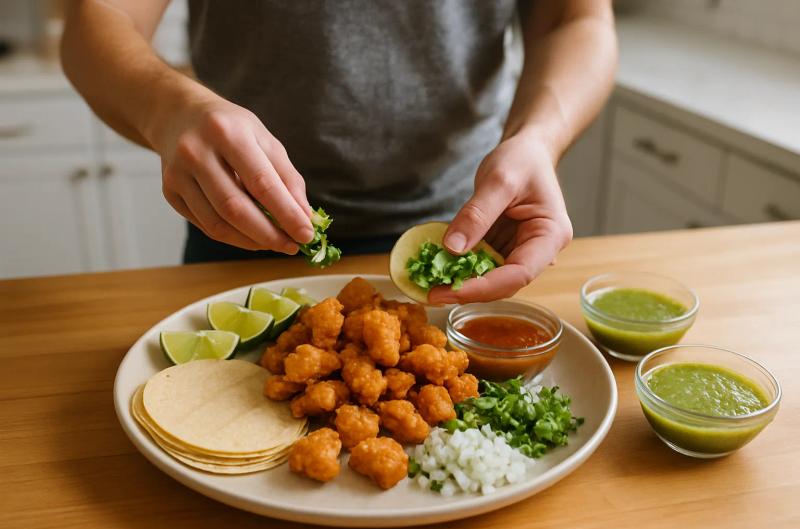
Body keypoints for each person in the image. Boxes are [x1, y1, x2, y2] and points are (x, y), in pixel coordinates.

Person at [61, 0, 617, 304]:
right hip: (238, 223)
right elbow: (99, 18)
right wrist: (168, 109)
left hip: (465, 232)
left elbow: (575, 18)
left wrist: (537, 137)